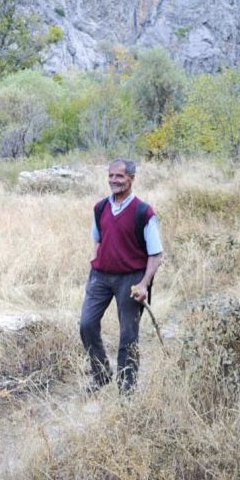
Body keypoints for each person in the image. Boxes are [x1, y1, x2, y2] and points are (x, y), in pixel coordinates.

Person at [79, 158, 163, 394]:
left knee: (128, 334)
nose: (114, 180)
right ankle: (101, 374)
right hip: (100, 277)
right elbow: (98, 239)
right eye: (111, 175)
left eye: (120, 176)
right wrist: (98, 261)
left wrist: (144, 284)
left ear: (131, 179)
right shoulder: (100, 208)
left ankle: (127, 388)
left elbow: (155, 255)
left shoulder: (143, 212)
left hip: (131, 279)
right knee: (86, 324)